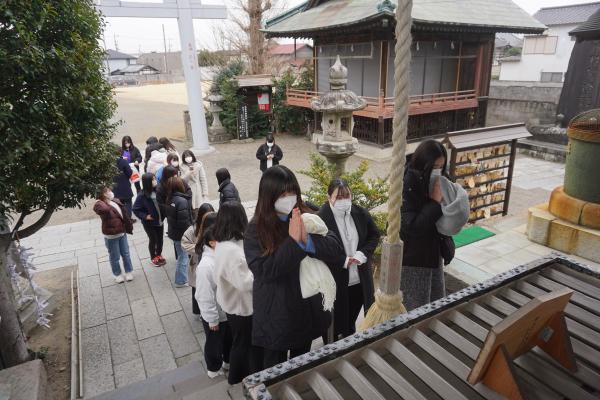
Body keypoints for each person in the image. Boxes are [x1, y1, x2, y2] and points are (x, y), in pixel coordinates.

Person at [244, 165, 344, 369]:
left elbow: (335, 248)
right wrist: (294, 242)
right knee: (275, 368)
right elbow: (264, 270)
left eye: (293, 192)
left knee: (301, 363)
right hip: (276, 311)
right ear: (269, 196)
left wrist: (308, 242)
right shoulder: (255, 229)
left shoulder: (306, 213)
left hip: (304, 308)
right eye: (283, 193)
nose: (289, 198)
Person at [318, 179, 380, 339]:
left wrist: (363, 253)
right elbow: (319, 248)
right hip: (336, 280)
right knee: (334, 323)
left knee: (351, 321)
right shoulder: (321, 219)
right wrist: (342, 260)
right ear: (329, 197)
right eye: (339, 197)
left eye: (347, 196)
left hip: (359, 279)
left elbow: (374, 235)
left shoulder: (360, 213)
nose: (344, 200)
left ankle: (350, 342)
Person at [212, 201, 259, 384]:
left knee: (241, 341)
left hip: (232, 303)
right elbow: (246, 283)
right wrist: (262, 269)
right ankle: (237, 378)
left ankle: (239, 376)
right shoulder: (231, 251)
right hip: (242, 306)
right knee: (243, 343)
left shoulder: (224, 244)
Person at [400, 139, 449, 311]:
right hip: (414, 259)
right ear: (424, 164)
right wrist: (435, 203)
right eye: (434, 166)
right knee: (415, 308)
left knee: (435, 303)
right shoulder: (408, 183)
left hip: (434, 254)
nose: (438, 171)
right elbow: (410, 227)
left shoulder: (440, 179)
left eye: (441, 167)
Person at [195, 215, 233, 379]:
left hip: (227, 312)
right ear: (212, 243)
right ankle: (213, 368)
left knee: (228, 341)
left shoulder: (220, 257)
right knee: (214, 344)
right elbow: (204, 296)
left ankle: (227, 361)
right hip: (215, 316)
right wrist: (212, 319)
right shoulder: (206, 266)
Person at [93, 187, 134, 283]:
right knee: (114, 257)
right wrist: (100, 200)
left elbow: (124, 214)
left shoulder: (115, 201)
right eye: (107, 191)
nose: (110, 192)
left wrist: (129, 226)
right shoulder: (100, 205)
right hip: (111, 236)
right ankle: (117, 274)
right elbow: (105, 210)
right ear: (103, 194)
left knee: (126, 254)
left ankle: (128, 271)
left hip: (122, 232)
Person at [181, 203, 215, 319]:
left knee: (211, 287)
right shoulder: (192, 230)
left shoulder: (215, 226)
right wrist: (197, 248)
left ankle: (209, 310)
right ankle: (201, 311)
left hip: (211, 262)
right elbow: (184, 244)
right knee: (198, 287)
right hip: (197, 262)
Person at [133, 173, 166, 267]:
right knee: (153, 239)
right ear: (147, 182)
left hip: (160, 220)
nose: (155, 181)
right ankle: (153, 257)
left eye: (155, 179)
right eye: (153, 179)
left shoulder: (158, 190)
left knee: (160, 239)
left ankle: (159, 254)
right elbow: (135, 209)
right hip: (149, 223)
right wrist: (145, 216)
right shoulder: (141, 195)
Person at [165, 177, 194, 287]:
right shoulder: (182, 201)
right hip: (182, 234)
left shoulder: (170, 198)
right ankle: (181, 280)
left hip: (174, 232)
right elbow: (184, 222)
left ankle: (181, 277)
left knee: (181, 255)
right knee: (183, 256)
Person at [180, 150, 209, 216]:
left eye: (189, 156)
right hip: (188, 191)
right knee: (192, 210)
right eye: (186, 156)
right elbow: (182, 180)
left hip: (198, 190)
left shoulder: (198, 165)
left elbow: (203, 179)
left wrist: (205, 193)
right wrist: (188, 173)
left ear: (192, 156)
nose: (188, 158)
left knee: (200, 210)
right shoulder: (181, 167)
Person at [113, 146, 135, 221]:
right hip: (124, 184)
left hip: (114, 186)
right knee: (128, 202)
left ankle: (121, 218)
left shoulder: (109, 162)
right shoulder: (123, 161)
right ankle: (128, 219)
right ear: (121, 153)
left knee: (118, 203)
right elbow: (129, 172)